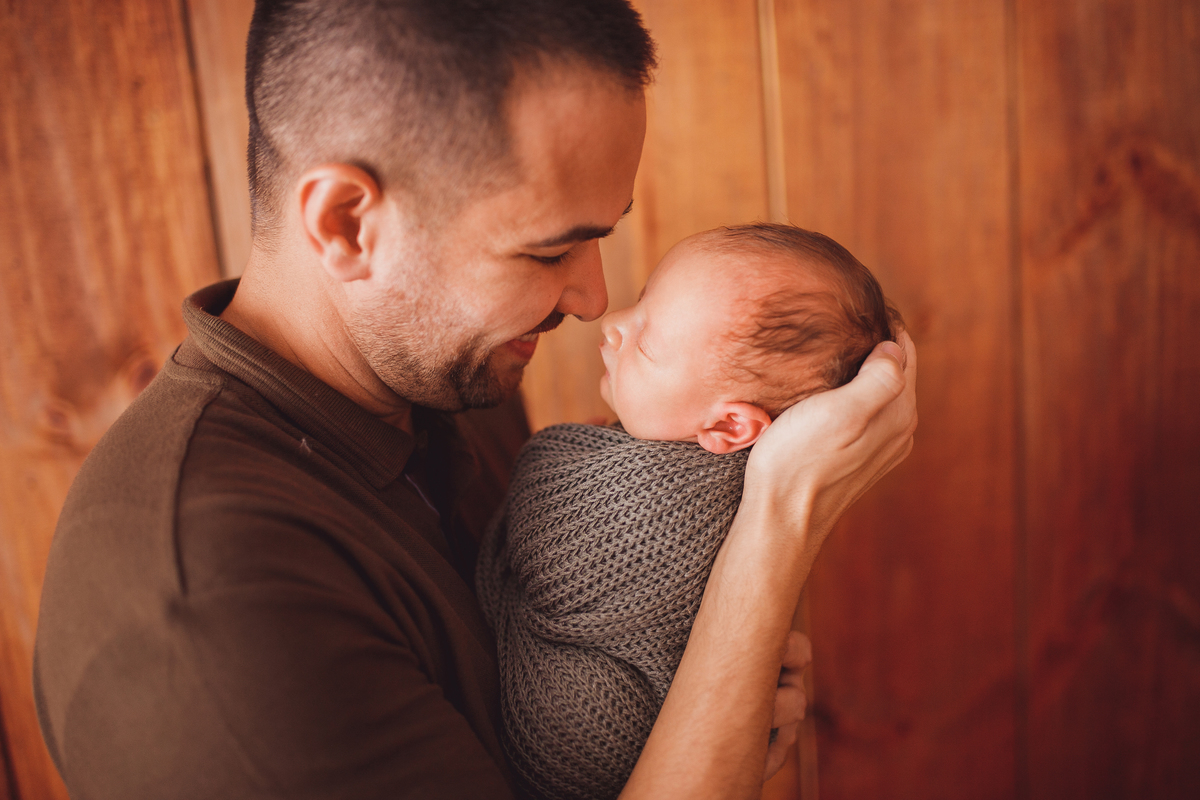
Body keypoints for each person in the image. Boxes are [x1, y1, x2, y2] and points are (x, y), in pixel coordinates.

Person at [33, 2, 917, 798]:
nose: (595, 299)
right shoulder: (207, 619)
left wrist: (703, 724)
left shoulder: (461, 376)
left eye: (599, 238)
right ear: (347, 224)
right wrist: (780, 522)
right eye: (547, 253)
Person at [478, 223, 902, 800]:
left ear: (729, 426)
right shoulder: (732, 473)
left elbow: (546, 548)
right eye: (643, 300)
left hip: (583, 738)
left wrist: (558, 458)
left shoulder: (670, 502)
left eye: (647, 343)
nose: (612, 322)